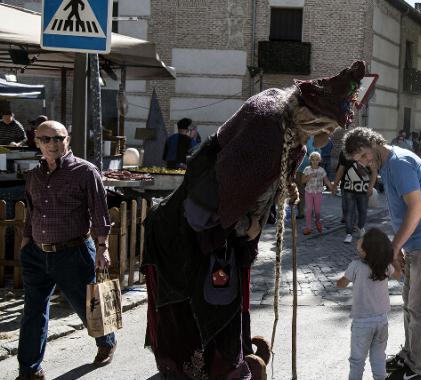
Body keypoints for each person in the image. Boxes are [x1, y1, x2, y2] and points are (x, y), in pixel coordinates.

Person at [142, 61, 367, 379]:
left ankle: (234, 357)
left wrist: (280, 190)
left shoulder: (284, 112)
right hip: (189, 239)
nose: (328, 138)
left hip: (218, 238)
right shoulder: (268, 131)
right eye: (327, 128)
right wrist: (247, 226)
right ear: (308, 117)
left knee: (226, 311)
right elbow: (209, 207)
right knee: (203, 323)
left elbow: (255, 181)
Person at [17, 121, 116, 380]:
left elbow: (99, 212)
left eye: (58, 138)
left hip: (74, 252)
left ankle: (106, 340)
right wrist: (26, 241)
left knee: (89, 305)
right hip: (37, 254)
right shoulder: (34, 175)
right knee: (33, 312)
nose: (53, 144)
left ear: (67, 140)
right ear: (37, 142)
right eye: (46, 139)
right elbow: (32, 210)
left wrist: (103, 248)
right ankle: (29, 370)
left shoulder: (85, 171)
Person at [344, 127, 421, 379]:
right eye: (359, 161)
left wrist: (394, 247)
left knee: (419, 309)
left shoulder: (399, 164)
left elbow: (417, 209)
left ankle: (416, 369)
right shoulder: (389, 165)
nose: (365, 163)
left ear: (373, 142)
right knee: (410, 305)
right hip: (415, 243)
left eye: (364, 156)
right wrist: (399, 244)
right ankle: (409, 356)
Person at [336, 228, 402, 380]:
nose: (359, 240)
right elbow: (398, 275)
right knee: (379, 359)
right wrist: (395, 259)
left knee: (357, 361)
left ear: (366, 250)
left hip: (362, 322)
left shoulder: (356, 266)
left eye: (363, 239)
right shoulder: (384, 265)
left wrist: (339, 281)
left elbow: (342, 284)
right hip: (381, 321)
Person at [332, 149, 377, 243]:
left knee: (363, 210)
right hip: (348, 188)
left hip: (363, 189)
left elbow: (374, 171)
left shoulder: (367, 152)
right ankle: (349, 233)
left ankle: (360, 227)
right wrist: (335, 185)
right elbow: (341, 169)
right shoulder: (345, 152)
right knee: (349, 211)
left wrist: (371, 187)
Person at [301, 151, 334, 235]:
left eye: (317, 160)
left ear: (319, 160)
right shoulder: (307, 169)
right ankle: (308, 228)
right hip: (308, 192)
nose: (315, 161)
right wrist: (309, 177)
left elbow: (326, 180)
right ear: (310, 160)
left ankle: (317, 221)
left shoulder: (321, 170)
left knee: (317, 211)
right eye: (313, 160)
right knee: (308, 210)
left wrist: (332, 188)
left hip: (318, 193)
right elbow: (302, 181)